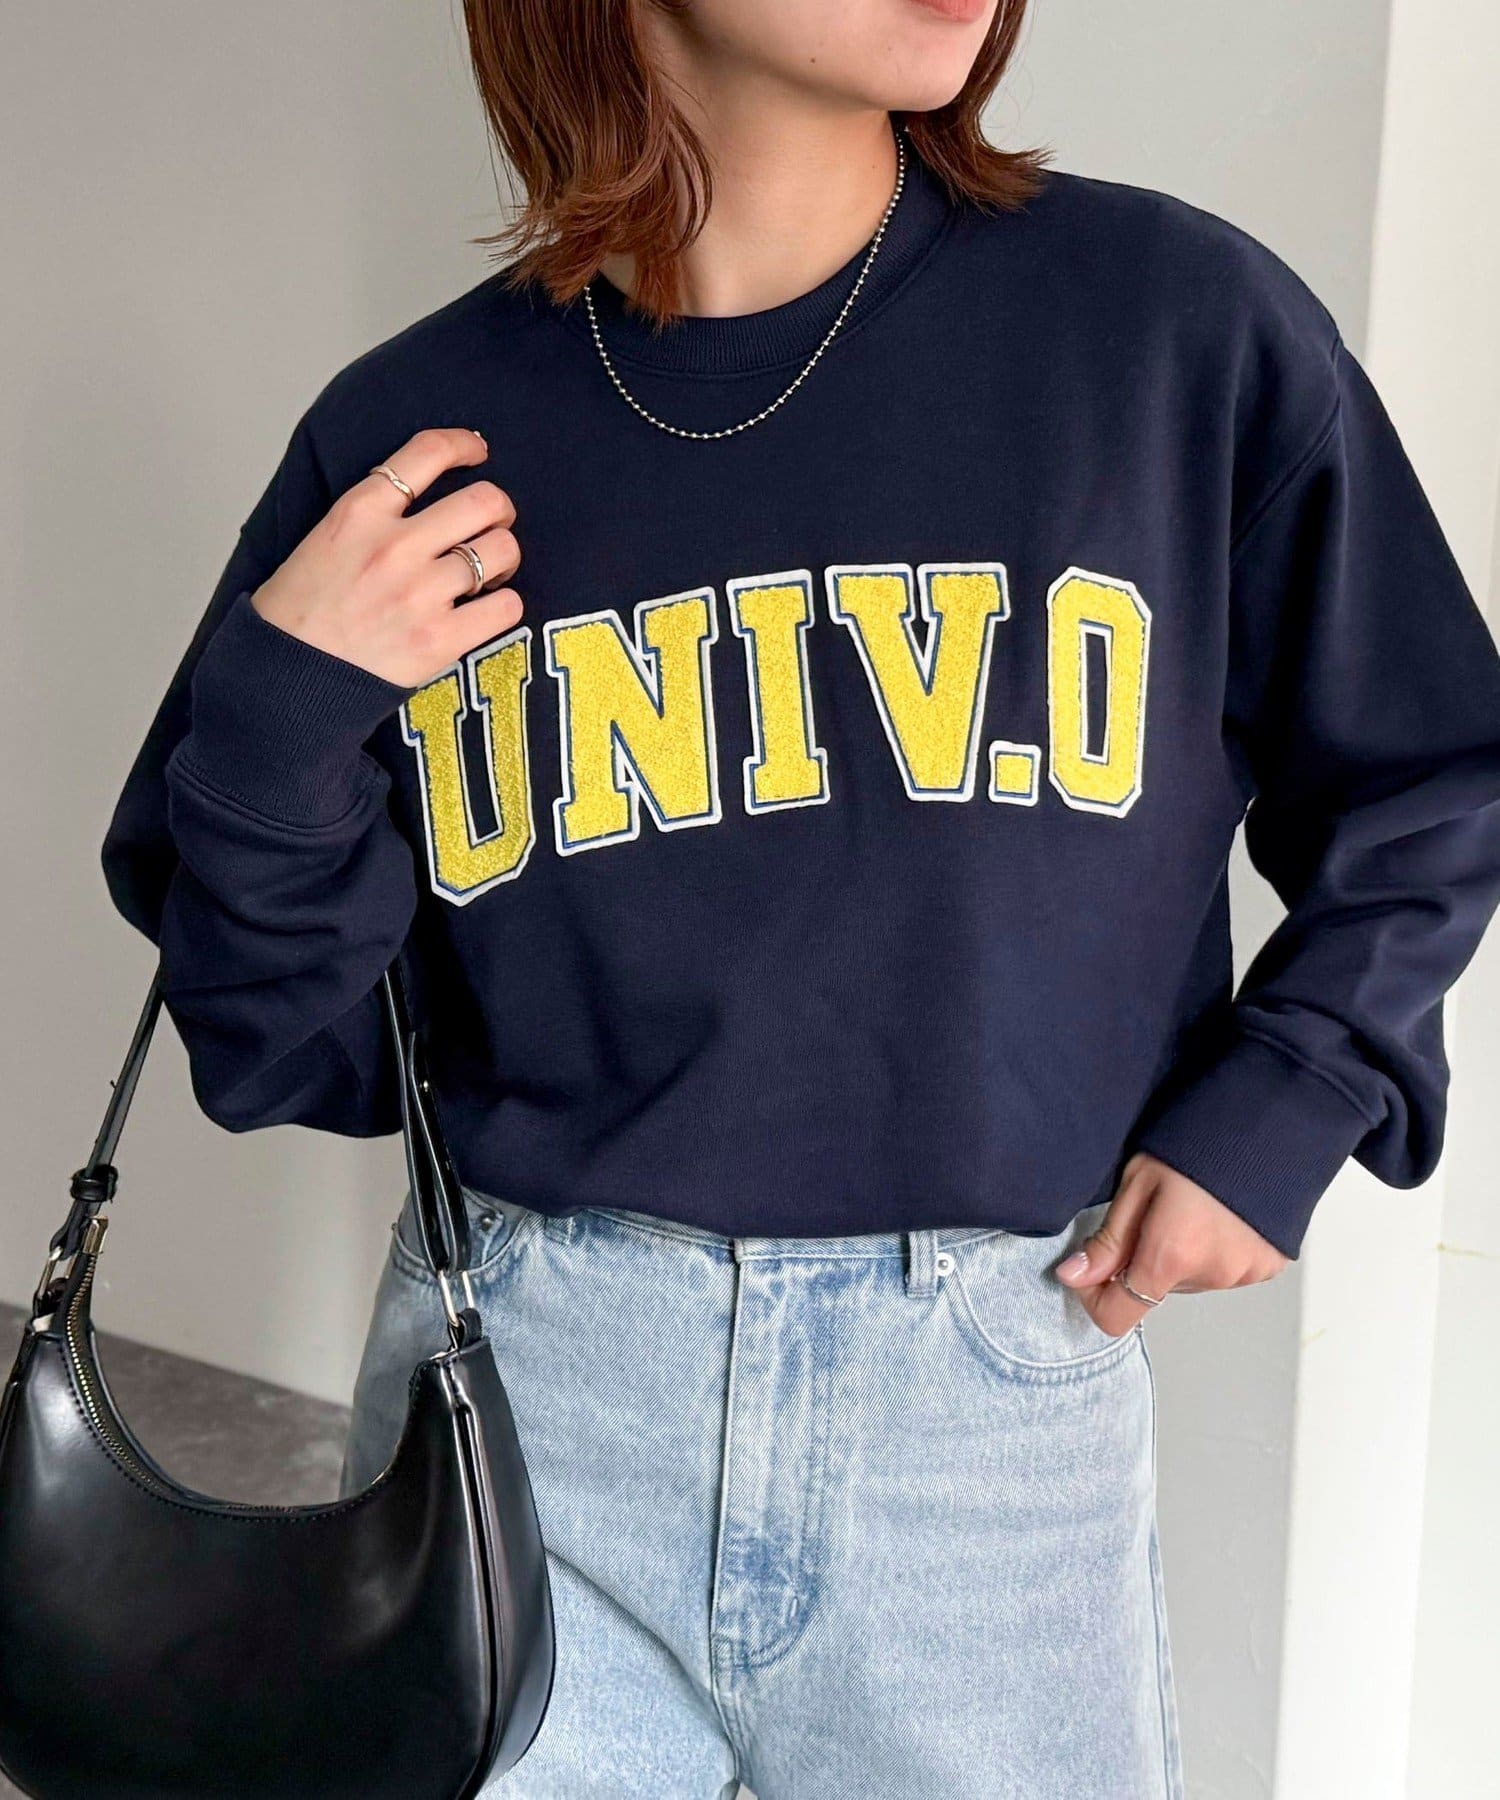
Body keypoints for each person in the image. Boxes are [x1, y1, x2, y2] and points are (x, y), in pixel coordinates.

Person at [98, 1, 1500, 1795]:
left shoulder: (1171, 331)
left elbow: (1426, 769)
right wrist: (281, 706)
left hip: (985, 1423)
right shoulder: (412, 440)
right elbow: (283, 1046)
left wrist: (1296, 1091)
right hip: (522, 1401)